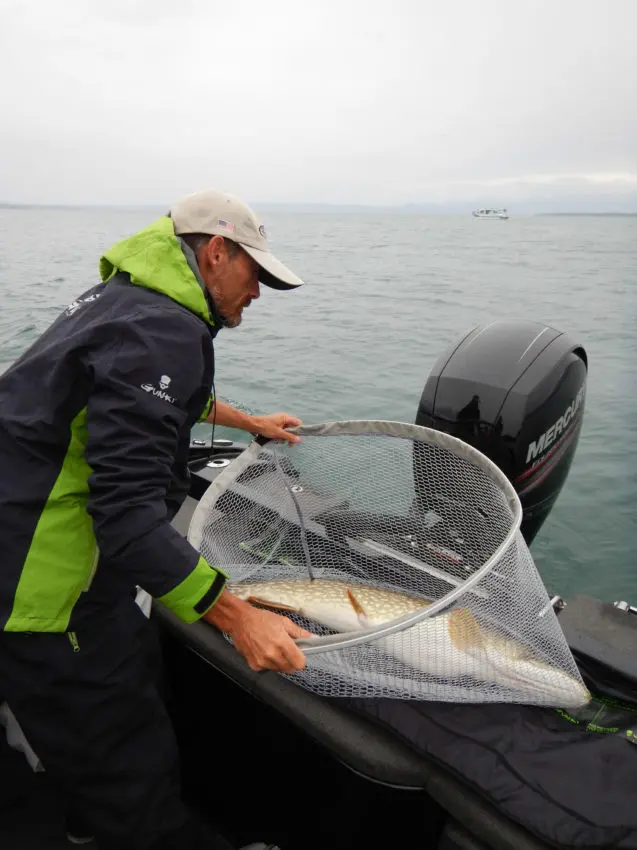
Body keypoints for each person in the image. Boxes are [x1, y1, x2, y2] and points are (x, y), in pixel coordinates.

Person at [0, 190, 313, 849]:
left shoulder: (125, 299)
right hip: (49, 590)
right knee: (129, 769)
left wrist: (248, 421)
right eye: (253, 274)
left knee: (124, 698)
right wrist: (239, 618)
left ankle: (86, 822)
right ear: (217, 252)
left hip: (23, 541)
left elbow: (147, 393)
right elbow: (125, 519)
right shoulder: (162, 328)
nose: (257, 293)